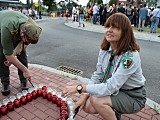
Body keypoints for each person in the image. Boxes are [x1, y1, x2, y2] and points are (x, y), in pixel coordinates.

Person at [62, 13, 146, 120]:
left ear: (125, 32)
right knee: (88, 106)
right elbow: (98, 75)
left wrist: (79, 88)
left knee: (97, 100)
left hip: (133, 96)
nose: (109, 30)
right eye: (107, 26)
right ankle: (115, 112)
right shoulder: (105, 50)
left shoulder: (130, 56)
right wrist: (84, 96)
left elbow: (111, 87)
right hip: (117, 90)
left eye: (115, 27)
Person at [0, 10, 42, 96]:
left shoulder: (31, 27)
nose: (28, 44)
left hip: (17, 30)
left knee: (22, 56)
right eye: (27, 41)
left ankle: (23, 81)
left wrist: (13, 58)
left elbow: (23, 45)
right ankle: (5, 82)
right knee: (2, 56)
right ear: (22, 33)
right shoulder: (7, 28)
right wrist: (25, 70)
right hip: (2, 30)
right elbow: (8, 54)